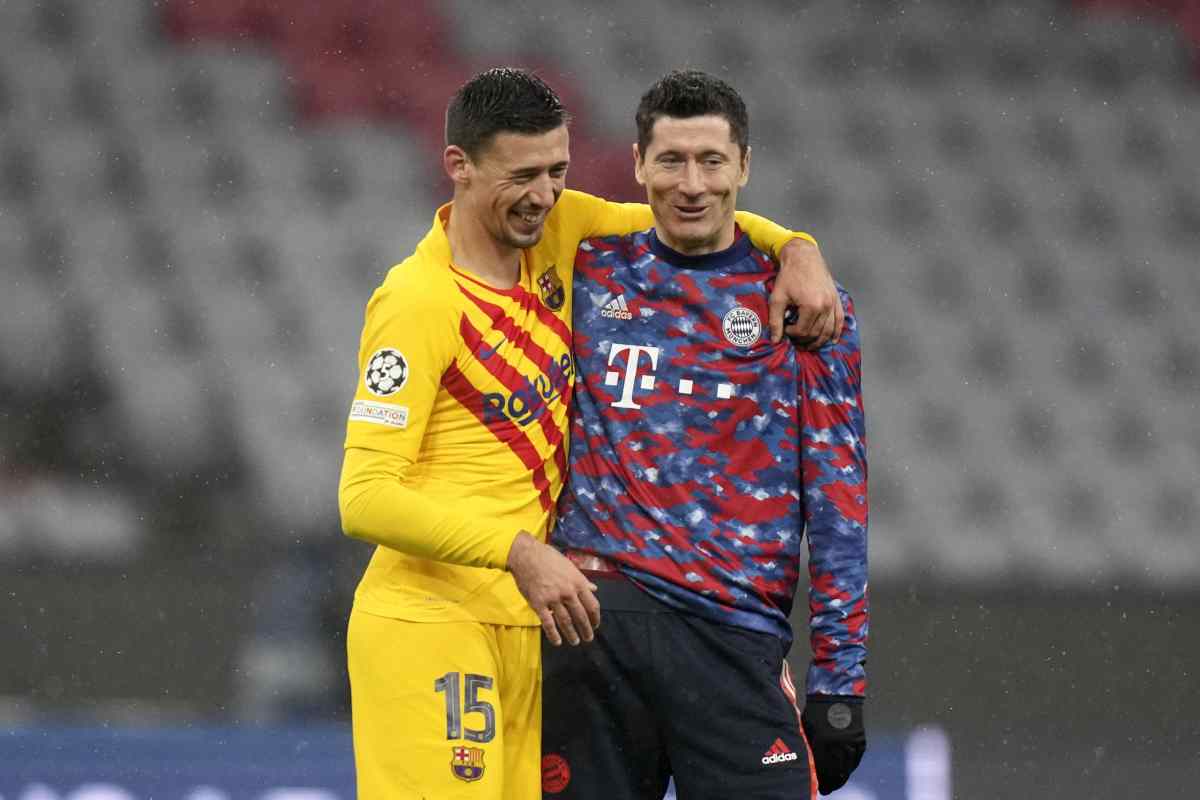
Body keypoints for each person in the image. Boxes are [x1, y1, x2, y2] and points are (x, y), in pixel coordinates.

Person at [337, 67, 841, 800]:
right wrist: (518, 551)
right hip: (429, 624)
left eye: (557, 172)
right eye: (522, 176)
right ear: (458, 166)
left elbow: (686, 218)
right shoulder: (417, 303)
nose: (544, 195)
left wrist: (797, 248)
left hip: (525, 628)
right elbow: (364, 497)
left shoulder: (555, 233)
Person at [542, 70, 869, 800]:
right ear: (638, 165)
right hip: (596, 629)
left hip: (732, 636)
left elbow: (839, 503)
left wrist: (841, 679)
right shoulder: (584, 275)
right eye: (671, 160)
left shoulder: (807, 308)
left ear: (744, 166)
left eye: (712, 161)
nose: (692, 184)